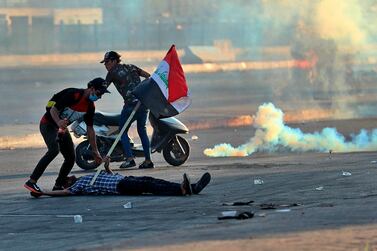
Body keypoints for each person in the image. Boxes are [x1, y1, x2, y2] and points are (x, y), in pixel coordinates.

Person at [24, 78, 110, 193]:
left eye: (102, 95)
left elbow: (90, 129)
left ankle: (58, 185)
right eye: (99, 93)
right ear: (92, 88)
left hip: (61, 129)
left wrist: (95, 151)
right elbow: (53, 109)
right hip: (48, 124)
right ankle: (32, 182)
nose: (99, 97)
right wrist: (59, 121)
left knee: (71, 158)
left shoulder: (90, 107)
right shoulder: (74, 95)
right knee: (54, 150)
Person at [100, 51, 153, 169]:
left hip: (130, 106)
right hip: (143, 104)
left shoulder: (112, 73)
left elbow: (103, 88)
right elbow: (148, 76)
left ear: (114, 61)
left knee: (122, 131)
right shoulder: (132, 67)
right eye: (104, 63)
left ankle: (129, 159)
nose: (105, 65)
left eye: (107, 62)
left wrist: (92, 94)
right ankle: (148, 160)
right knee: (142, 131)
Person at [29, 170, 211, 197]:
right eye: (66, 180)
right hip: (120, 187)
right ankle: (181, 190)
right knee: (149, 187)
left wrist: (107, 166)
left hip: (122, 179)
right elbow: (64, 193)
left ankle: (189, 187)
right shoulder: (77, 187)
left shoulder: (86, 176)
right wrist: (44, 192)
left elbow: (106, 174)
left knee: (152, 180)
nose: (69, 177)